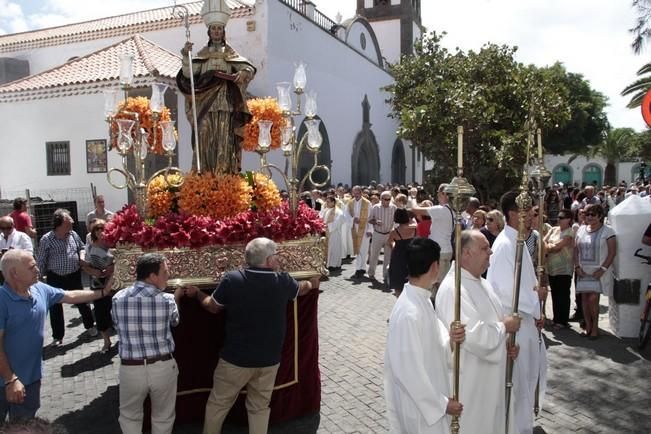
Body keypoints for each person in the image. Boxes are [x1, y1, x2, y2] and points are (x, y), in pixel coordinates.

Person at [187, 237, 318, 434]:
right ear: (269, 260)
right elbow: (302, 289)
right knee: (259, 407)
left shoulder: (233, 279)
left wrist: (197, 294)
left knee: (218, 404)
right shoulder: (282, 280)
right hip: (268, 360)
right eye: (276, 256)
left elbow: (212, 307)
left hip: (235, 361)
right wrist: (311, 281)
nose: (278, 260)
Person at [0, 250, 107, 421]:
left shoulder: (39, 289)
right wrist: (10, 380)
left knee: (24, 426)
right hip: (6, 380)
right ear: (15, 273)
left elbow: (70, 295)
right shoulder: (1, 300)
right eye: (32, 267)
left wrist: (102, 293)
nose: (38, 270)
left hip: (31, 378)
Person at [436, 230, 521, 434]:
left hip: (491, 379)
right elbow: (472, 334)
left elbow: (494, 320)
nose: (490, 252)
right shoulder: (454, 289)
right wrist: (505, 328)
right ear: (466, 253)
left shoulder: (481, 282)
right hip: (472, 382)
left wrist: (508, 344)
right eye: (484, 248)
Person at [384, 237, 464, 434]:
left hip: (431, 397)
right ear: (435, 266)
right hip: (420, 411)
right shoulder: (409, 313)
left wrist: (451, 340)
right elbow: (407, 371)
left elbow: (435, 342)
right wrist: (442, 403)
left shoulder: (423, 299)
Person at [486, 191, 547, 434]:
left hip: (527, 322)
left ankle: (523, 427)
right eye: (528, 212)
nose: (533, 216)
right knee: (519, 384)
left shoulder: (518, 241)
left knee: (528, 380)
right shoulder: (504, 245)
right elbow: (503, 292)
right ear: (513, 214)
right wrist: (536, 298)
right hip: (517, 328)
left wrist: (538, 309)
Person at [111, 253, 188, 434]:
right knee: (163, 416)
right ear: (152, 276)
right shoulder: (167, 300)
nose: (168, 276)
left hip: (131, 369)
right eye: (165, 272)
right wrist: (176, 297)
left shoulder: (118, 298)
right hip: (162, 367)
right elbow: (174, 321)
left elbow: (116, 325)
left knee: (130, 416)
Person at [176, 3, 256, 174]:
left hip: (226, 103)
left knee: (225, 138)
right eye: (214, 29)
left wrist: (243, 73)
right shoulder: (202, 54)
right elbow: (189, 74)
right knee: (204, 136)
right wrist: (185, 56)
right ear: (209, 32)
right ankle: (204, 175)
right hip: (205, 103)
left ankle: (225, 175)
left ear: (223, 31)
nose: (217, 32)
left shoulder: (231, 54)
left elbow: (249, 68)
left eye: (220, 29)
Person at [36, 209, 95, 345]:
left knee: (82, 301)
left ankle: (90, 326)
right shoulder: (47, 239)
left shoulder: (73, 234)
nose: (72, 224)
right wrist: (39, 278)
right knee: (55, 307)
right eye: (69, 223)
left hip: (74, 275)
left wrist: (81, 256)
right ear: (59, 224)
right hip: (55, 277)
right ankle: (58, 336)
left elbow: (82, 247)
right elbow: (41, 260)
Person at [574, 204, 616, 340]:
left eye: (593, 214)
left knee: (593, 299)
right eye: (587, 214)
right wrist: (577, 267)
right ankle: (588, 326)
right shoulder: (580, 230)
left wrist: (602, 269)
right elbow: (575, 250)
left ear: (600, 216)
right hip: (583, 271)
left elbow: (612, 252)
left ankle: (595, 328)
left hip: (598, 271)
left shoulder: (608, 231)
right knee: (584, 299)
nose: (590, 217)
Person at [410, 184, 455, 292]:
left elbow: (415, 209)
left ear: (443, 194)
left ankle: (436, 306)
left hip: (439, 251)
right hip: (446, 250)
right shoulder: (453, 210)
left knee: (436, 284)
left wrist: (412, 197)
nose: (437, 195)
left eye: (439, 193)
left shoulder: (441, 210)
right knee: (440, 283)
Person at [85, 220, 114, 353]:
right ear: (94, 232)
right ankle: (106, 341)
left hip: (113, 283)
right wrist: (94, 271)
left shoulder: (112, 244)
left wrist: (111, 268)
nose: (100, 232)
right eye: (97, 230)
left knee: (115, 311)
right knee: (101, 313)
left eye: (103, 229)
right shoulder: (90, 247)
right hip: (98, 285)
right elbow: (86, 266)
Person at [543, 209, 575, 329]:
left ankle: (562, 320)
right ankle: (556, 319)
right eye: (559, 217)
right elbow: (543, 241)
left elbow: (557, 247)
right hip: (552, 267)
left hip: (564, 268)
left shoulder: (570, 232)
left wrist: (549, 246)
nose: (559, 219)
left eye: (562, 217)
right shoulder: (554, 229)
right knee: (555, 294)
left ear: (569, 220)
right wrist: (550, 246)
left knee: (563, 294)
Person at [367, 191, 397, 282]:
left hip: (389, 234)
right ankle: (371, 273)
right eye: (385, 199)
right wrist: (375, 222)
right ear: (381, 199)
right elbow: (369, 220)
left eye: (389, 199)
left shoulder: (394, 208)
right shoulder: (375, 208)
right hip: (377, 234)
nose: (387, 201)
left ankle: (385, 275)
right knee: (374, 255)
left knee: (388, 256)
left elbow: (396, 221)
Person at [386, 208, 416, 298]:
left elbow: (388, 243)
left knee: (398, 283)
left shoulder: (394, 232)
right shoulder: (414, 229)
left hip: (398, 257)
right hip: (410, 256)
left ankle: (399, 301)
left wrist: (394, 246)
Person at [345, 186, 372, 278]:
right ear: (352, 193)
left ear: (361, 193)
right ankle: (358, 268)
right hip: (354, 228)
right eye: (354, 193)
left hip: (364, 229)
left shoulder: (367, 203)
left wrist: (370, 229)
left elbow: (370, 217)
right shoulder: (350, 203)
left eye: (357, 193)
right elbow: (346, 215)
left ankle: (362, 267)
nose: (356, 195)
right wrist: (353, 220)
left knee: (363, 249)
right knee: (357, 249)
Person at [322, 196, 345, 270]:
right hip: (327, 232)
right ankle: (328, 263)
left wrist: (327, 226)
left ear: (333, 202)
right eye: (326, 201)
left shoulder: (338, 212)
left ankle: (334, 265)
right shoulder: (326, 210)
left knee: (334, 249)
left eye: (328, 202)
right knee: (329, 249)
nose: (327, 203)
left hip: (334, 233)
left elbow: (339, 221)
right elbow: (321, 217)